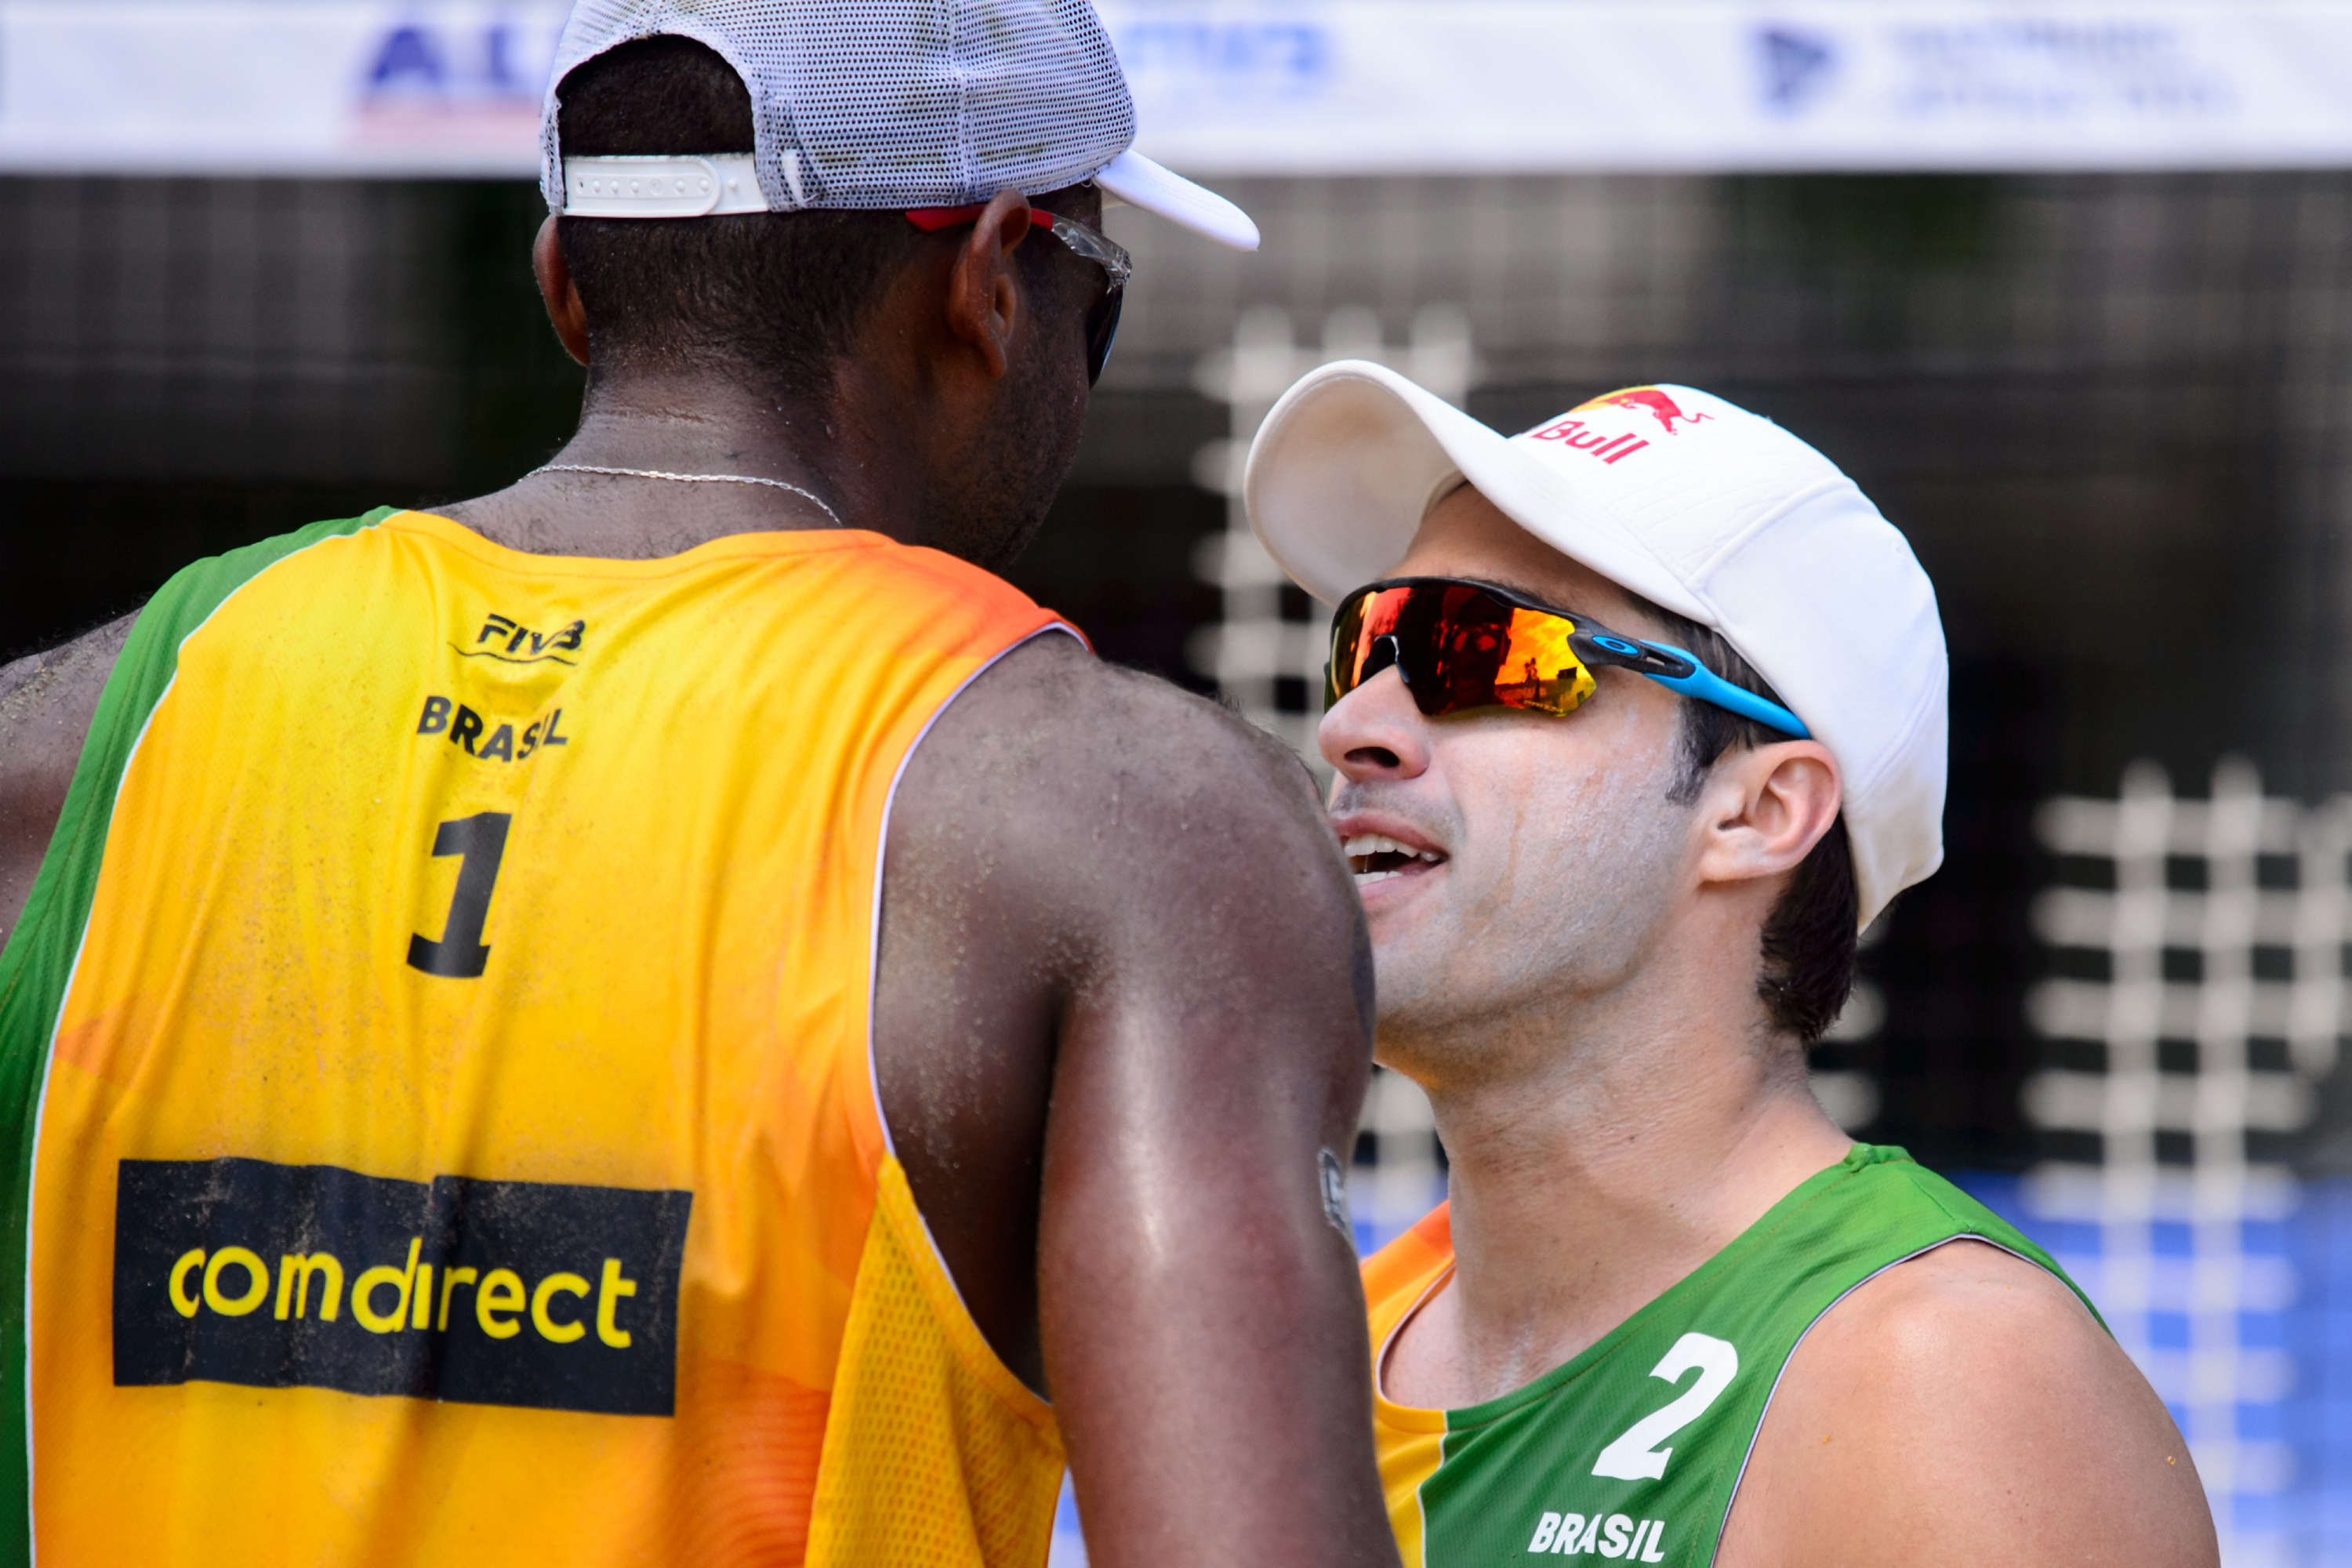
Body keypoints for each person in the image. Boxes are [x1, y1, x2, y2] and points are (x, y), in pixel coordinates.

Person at [0, 9, 1400, 1566]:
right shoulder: (1133, 831)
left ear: (567, 289)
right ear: (997, 281)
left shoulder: (70, 747)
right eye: (1098, 309)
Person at [1242, 365, 2218, 1567]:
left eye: (1480, 651)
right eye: (1370, 643)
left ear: (1758, 813)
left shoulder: (1937, 1379)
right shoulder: (1311, 1361)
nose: (1353, 726)